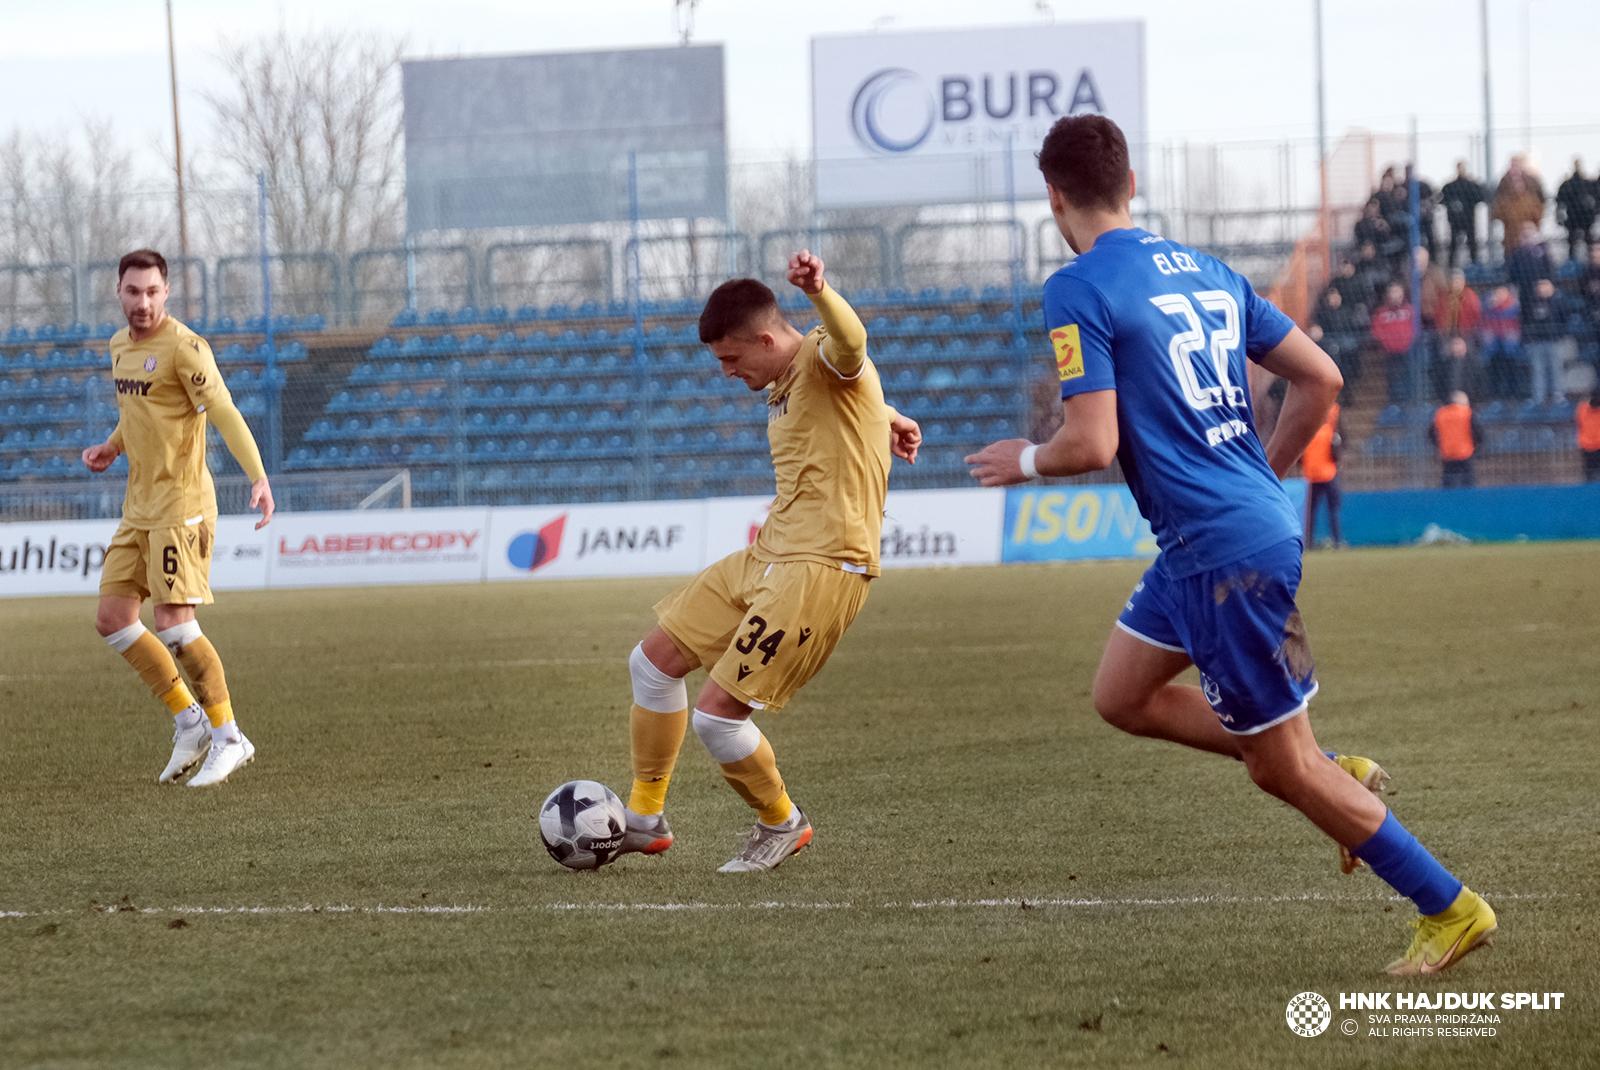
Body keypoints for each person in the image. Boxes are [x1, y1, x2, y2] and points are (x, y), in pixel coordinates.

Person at [966, 114, 1495, 975]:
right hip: (1214, 538)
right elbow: (1320, 376)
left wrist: (1022, 459)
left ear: (1054, 198)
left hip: (1221, 551)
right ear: (1131, 186)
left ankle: (1449, 905)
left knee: (1278, 770)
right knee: (1122, 695)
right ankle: (1329, 765)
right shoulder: (1208, 272)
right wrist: (1267, 474)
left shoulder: (1077, 287)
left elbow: (1090, 442)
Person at [610, 251, 921, 872]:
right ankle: (645, 818)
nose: (726, 373)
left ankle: (783, 822)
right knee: (651, 664)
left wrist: (820, 290)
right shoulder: (790, 382)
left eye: (731, 358)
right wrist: (885, 416)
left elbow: (852, 345)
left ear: (766, 337)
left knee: (717, 720)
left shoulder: (819, 353)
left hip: (822, 567)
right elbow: (846, 408)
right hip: (768, 556)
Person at [81, 249, 274, 787]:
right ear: (118, 292)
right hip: (137, 508)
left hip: (182, 508)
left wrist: (257, 476)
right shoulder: (119, 347)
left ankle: (229, 736)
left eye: (151, 292)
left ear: (166, 293)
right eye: (132, 291)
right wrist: (112, 447)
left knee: (174, 623)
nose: (142, 302)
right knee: (114, 619)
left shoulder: (186, 349)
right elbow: (138, 412)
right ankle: (189, 720)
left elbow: (226, 411)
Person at [1301, 403, 1343, 549]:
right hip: (1328, 474)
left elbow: (1300, 457)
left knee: (1311, 513)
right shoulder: (1330, 431)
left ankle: (1309, 542)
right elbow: (1336, 453)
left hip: (1312, 475)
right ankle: (1337, 541)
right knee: (1333, 510)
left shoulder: (1307, 432)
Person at [1492, 155, 1546, 258]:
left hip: (1529, 230)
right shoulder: (1504, 185)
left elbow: (1540, 204)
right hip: (1511, 233)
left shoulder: (1531, 184)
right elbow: (1498, 208)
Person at [1429, 391, 1485, 488]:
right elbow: (1478, 433)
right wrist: (1476, 446)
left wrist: (1439, 446)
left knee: (1448, 483)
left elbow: (1431, 433)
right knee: (1467, 483)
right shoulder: (1467, 413)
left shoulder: (1441, 414)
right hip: (1465, 453)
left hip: (1447, 454)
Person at [1370, 283, 1416, 402]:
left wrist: (1409, 341)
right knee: (1392, 378)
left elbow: (1416, 328)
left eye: (1398, 293)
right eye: (1393, 292)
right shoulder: (1381, 312)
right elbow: (1376, 330)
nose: (1396, 296)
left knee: (1409, 376)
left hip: (1407, 350)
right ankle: (1394, 402)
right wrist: (1387, 343)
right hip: (1389, 352)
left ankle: (1409, 400)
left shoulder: (1409, 310)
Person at [1441, 160, 1488, 268]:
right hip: (1456, 219)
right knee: (1454, 243)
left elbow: (1480, 198)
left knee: (1471, 243)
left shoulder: (1471, 185)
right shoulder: (1451, 186)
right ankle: (1452, 266)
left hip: (1467, 218)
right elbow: (1443, 200)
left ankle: (1474, 264)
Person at [1555, 158, 1597, 263]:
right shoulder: (1570, 185)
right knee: (1573, 243)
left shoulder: (1587, 184)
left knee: (1587, 242)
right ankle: (1573, 264)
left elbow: (1596, 200)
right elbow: (1560, 203)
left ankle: (1591, 263)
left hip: (1585, 219)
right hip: (1573, 219)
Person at [1578, 390, 1600, 482]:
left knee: (1589, 470)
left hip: (1587, 446)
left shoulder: (1582, 409)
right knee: (1591, 470)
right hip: (1595, 446)